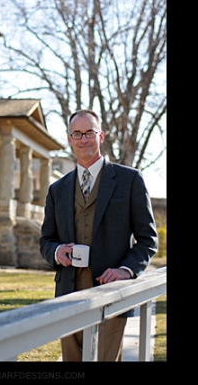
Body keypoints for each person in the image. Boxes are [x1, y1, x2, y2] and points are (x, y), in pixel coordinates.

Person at [39, 109, 158, 361]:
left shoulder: (130, 180)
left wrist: (126, 269)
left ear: (100, 136)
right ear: (70, 139)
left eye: (89, 132)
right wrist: (57, 252)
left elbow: (148, 240)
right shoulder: (57, 189)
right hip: (68, 293)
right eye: (77, 133)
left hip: (111, 291)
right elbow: (46, 240)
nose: (84, 139)